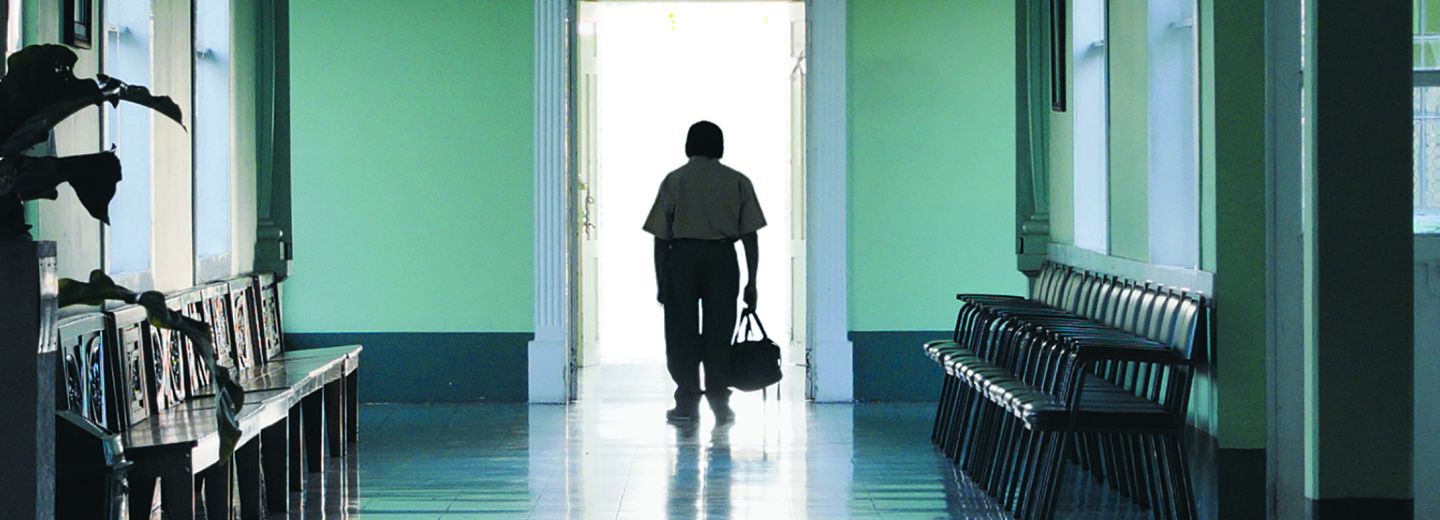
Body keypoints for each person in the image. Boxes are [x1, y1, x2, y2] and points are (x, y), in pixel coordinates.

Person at [643, 121, 766, 424]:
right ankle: (718, 391)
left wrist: (661, 280)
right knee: (720, 326)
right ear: (719, 145)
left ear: (689, 145)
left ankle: (686, 392)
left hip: (682, 257)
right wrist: (752, 281)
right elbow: (750, 236)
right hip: (722, 257)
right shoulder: (737, 181)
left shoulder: (675, 180)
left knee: (680, 327)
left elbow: (660, 237)